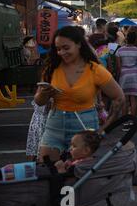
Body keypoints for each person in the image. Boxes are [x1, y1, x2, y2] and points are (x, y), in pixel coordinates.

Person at [34, 26, 124, 162]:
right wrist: (45, 93)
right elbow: (39, 101)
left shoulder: (95, 70)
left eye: (66, 48)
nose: (61, 53)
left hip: (84, 127)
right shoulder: (51, 68)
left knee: (80, 174)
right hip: (55, 125)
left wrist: (104, 130)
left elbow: (119, 98)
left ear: (79, 44)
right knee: (47, 170)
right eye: (58, 49)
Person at [116, 31, 137, 118]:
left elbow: (118, 67)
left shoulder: (119, 51)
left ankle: (124, 121)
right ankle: (132, 120)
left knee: (125, 100)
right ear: (135, 40)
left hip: (124, 75)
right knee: (134, 99)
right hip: (135, 76)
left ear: (126, 39)